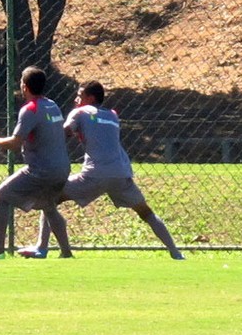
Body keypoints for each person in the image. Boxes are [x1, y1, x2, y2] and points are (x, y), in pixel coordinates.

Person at [17, 81, 185, 260]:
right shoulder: (112, 115)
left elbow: (60, 134)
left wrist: (35, 135)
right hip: (121, 173)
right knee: (146, 212)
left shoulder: (79, 113)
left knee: (49, 199)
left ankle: (43, 249)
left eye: (80, 95)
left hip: (94, 175)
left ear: (90, 98)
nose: (76, 99)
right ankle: (176, 253)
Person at [0, 66, 73, 260]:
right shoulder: (52, 105)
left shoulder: (30, 109)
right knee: (49, 206)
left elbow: (14, 143)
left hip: (41, 170)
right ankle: (66, 253)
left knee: (0, 196)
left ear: (25, 86)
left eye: (21, 81)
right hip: (62, 168)